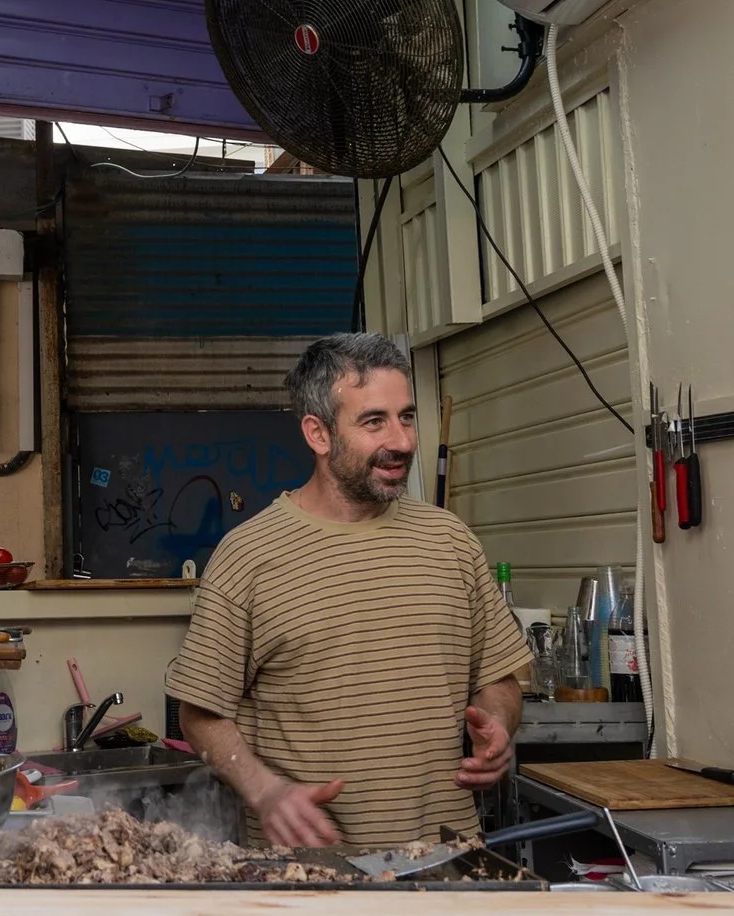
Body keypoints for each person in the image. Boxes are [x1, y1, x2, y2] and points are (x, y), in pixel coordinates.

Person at [166, 332, 529, 850]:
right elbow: (200, 712)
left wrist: (497, 723)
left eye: (406, 417)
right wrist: (264, 791)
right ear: (317, 433)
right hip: (309, 876)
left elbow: (499, 677)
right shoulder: (248, 556)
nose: (402, 441)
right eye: (374, 421)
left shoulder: (451, 541)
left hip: (446, 863)